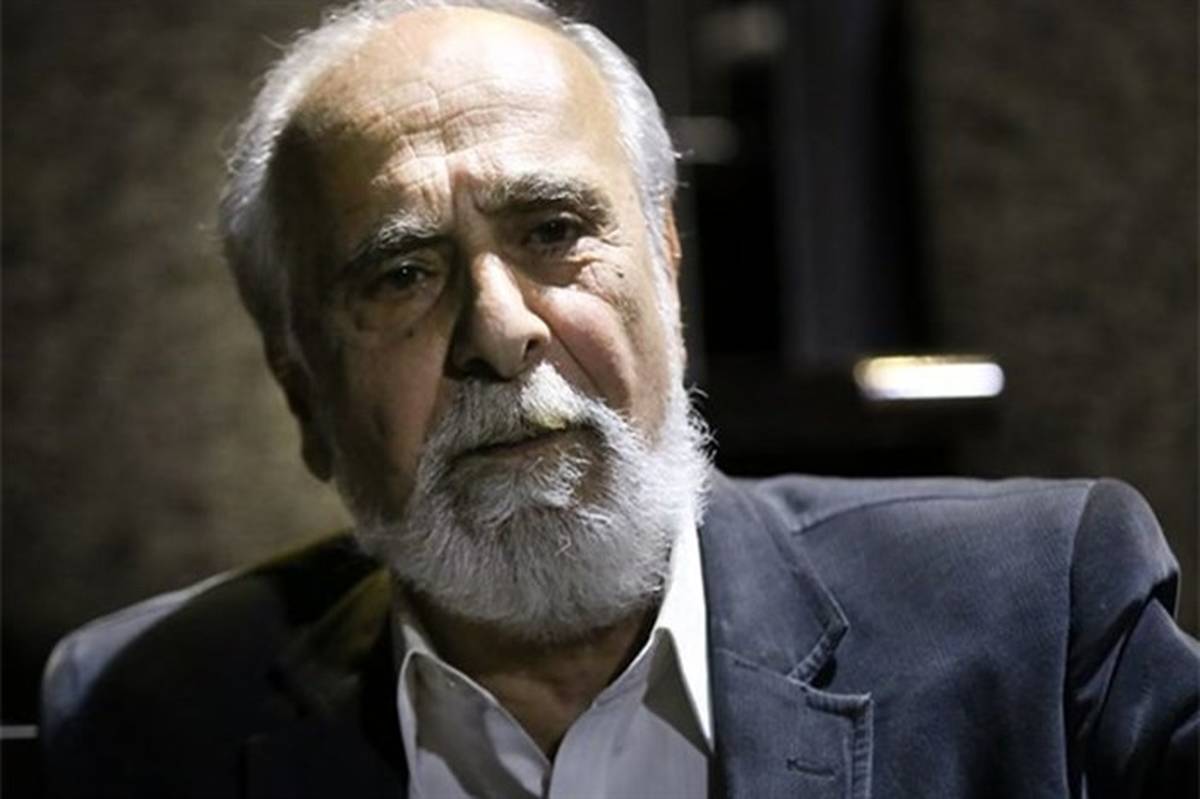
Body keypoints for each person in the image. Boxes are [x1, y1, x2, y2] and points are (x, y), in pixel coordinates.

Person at [40, 1, 1198, 797]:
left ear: (667, 272)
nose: (501, 331)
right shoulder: (152, 709)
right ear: (302, 390)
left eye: (553, 231)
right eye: (400, 275)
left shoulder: (1036, 608)